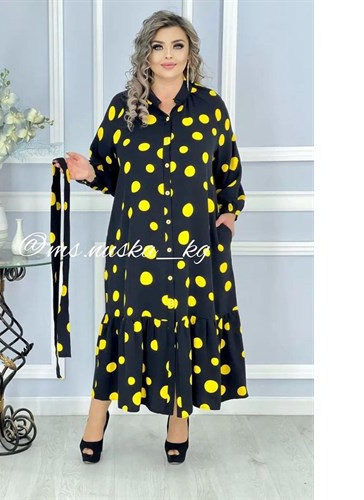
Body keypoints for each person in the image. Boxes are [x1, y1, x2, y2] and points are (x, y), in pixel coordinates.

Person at [61, 10, 248, 464]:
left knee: (187, 324)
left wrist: (227, 219)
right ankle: (97, 416)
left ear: (190, 53)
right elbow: (108, 173)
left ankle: (179, 419)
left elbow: (228, 174)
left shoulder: (210, 107)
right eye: (158, 46)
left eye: (177, 46)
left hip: (196, 247)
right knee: (124, 323)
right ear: (145, 54)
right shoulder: (122, 107)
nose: (168, 55)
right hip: (136, 246)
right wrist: (86, 172)